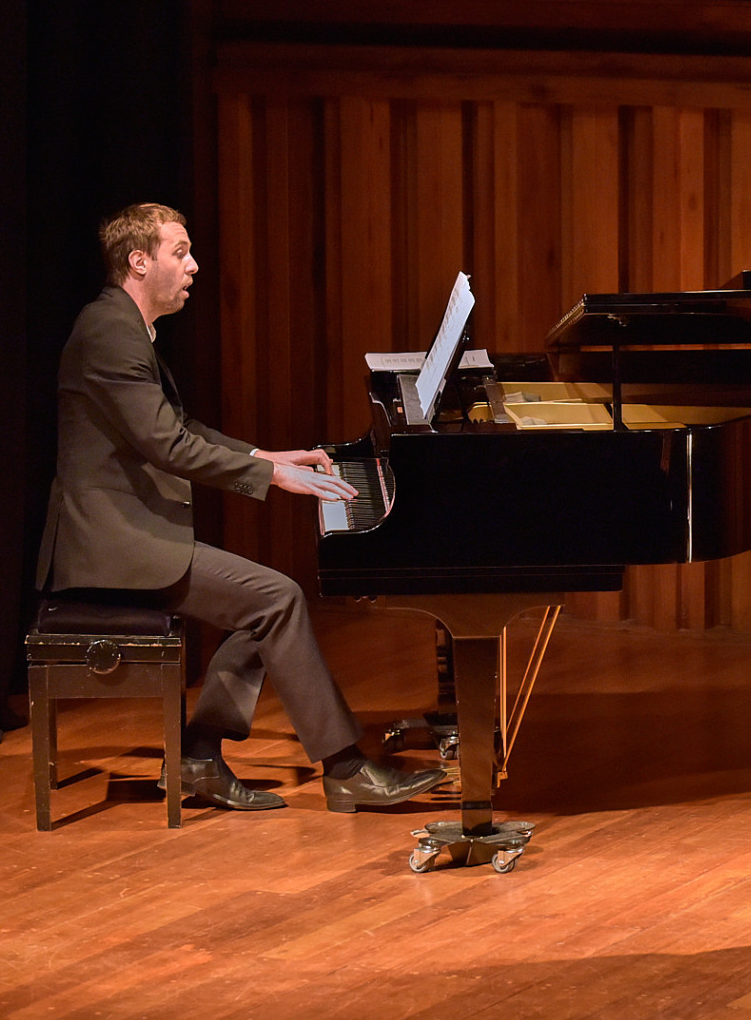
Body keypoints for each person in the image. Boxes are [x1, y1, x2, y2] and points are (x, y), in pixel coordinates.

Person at [37, 203, 445, 813]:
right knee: (276, 599)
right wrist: (274, 476)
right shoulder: (109, 332)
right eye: (180, 252)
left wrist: (264, 454)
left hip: (124, 534)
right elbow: (167, 445)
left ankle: (201, 754)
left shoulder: (122, 326)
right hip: (110, 546)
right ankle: (345, 769)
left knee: (267, 604)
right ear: (139, 261)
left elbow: (179, 427)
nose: (194, 266)